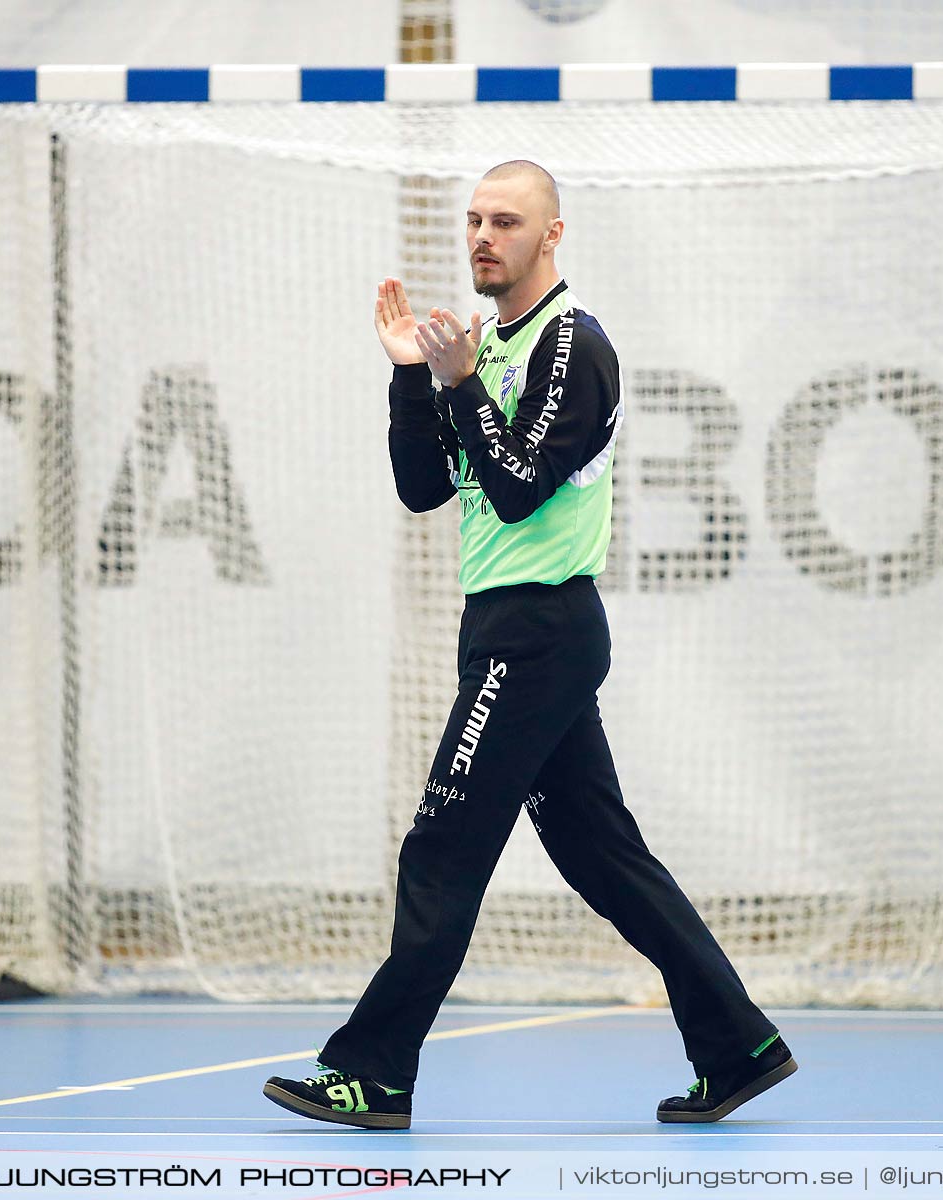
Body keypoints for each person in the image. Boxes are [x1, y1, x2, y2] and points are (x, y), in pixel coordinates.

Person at [262, 160, 792, 1130]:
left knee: (442, 846)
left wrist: (461, 387)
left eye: (506, 221)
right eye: (473, 220)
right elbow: (426, 489)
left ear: (551, 235)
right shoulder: (487, 347)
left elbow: (519, 488)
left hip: (540, 630)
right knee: (604, 859)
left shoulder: (572, 346)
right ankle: (739, 1045)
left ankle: (374, 1072)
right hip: (501, 625)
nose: (482, 237)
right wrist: (410, 377)